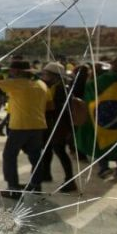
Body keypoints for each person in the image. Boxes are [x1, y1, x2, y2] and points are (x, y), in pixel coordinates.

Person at [0, 60, 48, 195]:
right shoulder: (41, 84)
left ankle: (13, 189)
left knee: (9, 156)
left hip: (20, 126)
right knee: (35, 156)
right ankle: (36, 185)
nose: (10, 73)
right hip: (38, 125)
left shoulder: (17, 83)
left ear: (17, 71)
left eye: (11, 70)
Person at [39, 62, 77, 192]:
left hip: (58, 124)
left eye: (46, 74)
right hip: (51, 123)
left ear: (54, 75)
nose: (43, 76)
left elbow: (59, 109)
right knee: (47, 148)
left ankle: (70, 180)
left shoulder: (61, 88)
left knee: (59, 150)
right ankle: (46, 174)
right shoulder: (55, 86)